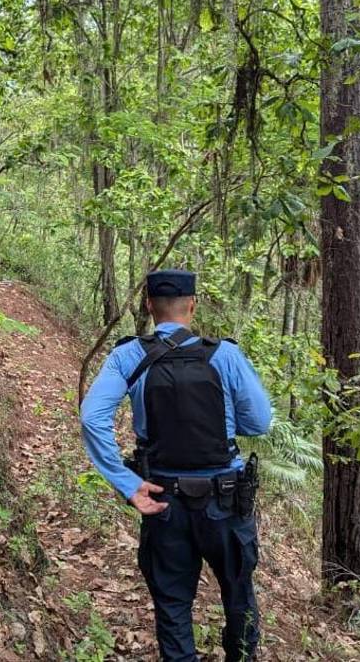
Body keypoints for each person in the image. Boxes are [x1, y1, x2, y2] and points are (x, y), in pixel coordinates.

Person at [80, 269, 273, 661]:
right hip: (226, 500)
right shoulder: (225, 356)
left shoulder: (128, 355)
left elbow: (91, 418)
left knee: (172, 604)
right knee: (239, 595)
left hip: (163, 500)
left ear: (149, 306)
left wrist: (126, 482)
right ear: (193, 305)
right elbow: (260, 422)